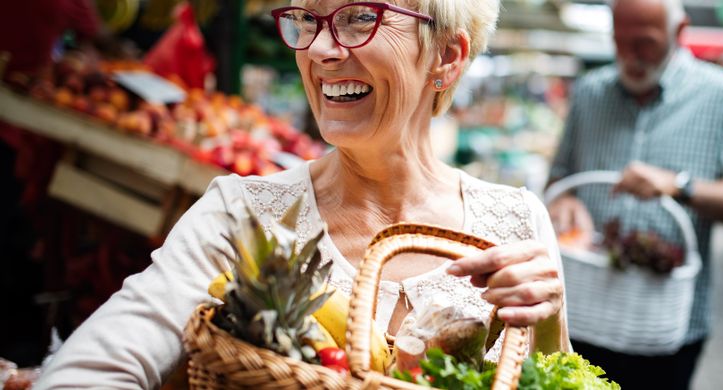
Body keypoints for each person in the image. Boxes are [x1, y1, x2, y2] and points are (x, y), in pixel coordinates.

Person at [36, 1, 569, 387]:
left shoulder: (518, 223)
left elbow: (559, 376)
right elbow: (93, 368)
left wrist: (551, 327)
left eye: (360, 18)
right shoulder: (242, 215)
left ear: (447, 56)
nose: (319, 49)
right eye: (307, 21)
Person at [547, 0, 723, 388]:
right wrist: (564, 202)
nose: (630, 55)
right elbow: (559, 178)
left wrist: (680, 186)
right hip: (583, 314)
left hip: (670, 327)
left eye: (645, 42)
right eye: (620, 41)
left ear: (679, 32)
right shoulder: (589, 94)